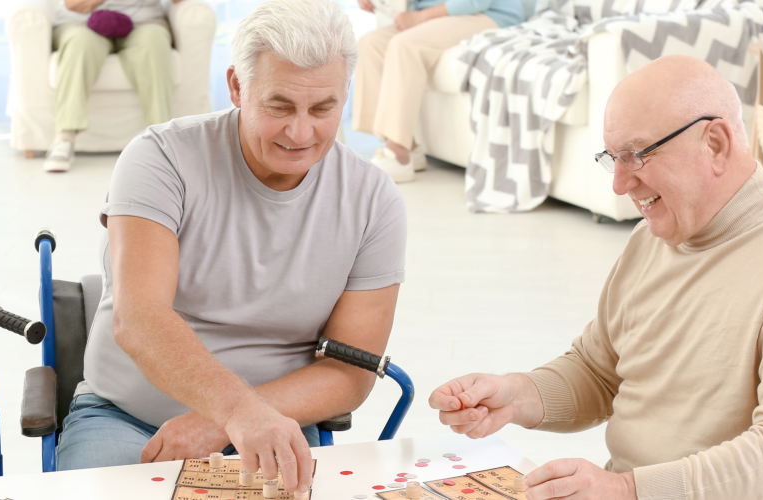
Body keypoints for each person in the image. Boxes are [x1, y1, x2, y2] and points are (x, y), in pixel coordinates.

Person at [428, 54, 763, 500]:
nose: (619, 184)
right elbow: (599, 371)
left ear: (715, 144)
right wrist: (515, 395)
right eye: (613, 158)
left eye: (636, 155)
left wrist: (627, 489)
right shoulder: (654, 238)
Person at [56, 0, 407, 496]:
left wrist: (224, 421)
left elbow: (351, 372)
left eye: (324, 108)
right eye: (280, 106)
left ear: (345, 93)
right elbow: (140, 318)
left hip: (277, 428)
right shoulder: (160, 158)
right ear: (237, 87)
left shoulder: (374, 199)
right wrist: (237, 412)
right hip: (127, 418)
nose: (301, 133)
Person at [353, 0, 526, 182]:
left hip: (488, 13)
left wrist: (419, 17)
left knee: (404, 45)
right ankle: (409, 148)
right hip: (433, 13)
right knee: (370, 43)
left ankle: (398, 154)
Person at [45, 0, 183, 173]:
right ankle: (64, 137)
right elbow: (73, 4)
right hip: (81, 23)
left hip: (144, 22)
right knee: (80, 44)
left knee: (153, 41)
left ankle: (162, 140)